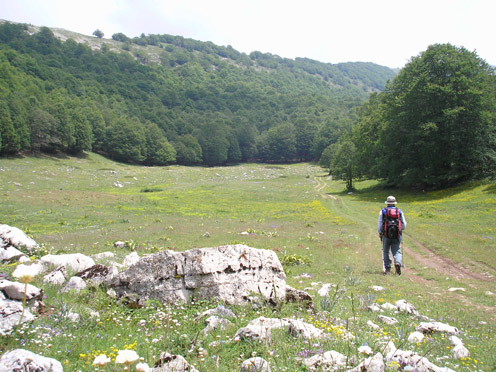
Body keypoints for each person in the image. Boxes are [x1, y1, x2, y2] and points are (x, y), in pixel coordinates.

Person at [378, 196, 407, 275]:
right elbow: (404, 224)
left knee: (385, 251)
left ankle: (387, 268)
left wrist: (380, 232)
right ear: (394, 203)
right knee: (397, 250)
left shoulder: (383, 211)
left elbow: (380, 224)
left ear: (387, 203)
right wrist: (400, 230)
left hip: (386, 235)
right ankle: (397, 262)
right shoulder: (399, 211)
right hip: (397, 235)